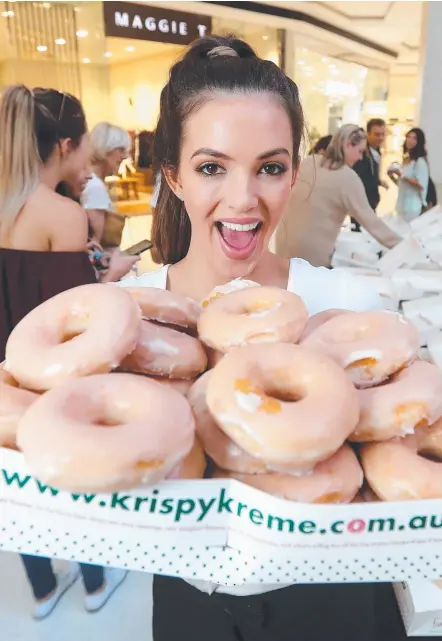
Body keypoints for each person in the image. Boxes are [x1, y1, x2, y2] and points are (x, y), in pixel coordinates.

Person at [116, 35, 402, 641]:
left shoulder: (345, 306)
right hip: (189, 598)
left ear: (295, 172)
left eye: (269, 168)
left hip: (330, 596)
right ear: (173, 174)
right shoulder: (129, 319)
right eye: (212, 167)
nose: (243, 200)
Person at [0, 85, 128, 619]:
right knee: (70, 466)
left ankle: (43, 589)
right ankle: (95, 581)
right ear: (66, 145)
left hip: (5, 372)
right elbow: (78, 317)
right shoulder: (63, 213)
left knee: (16, 477)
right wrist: (114, 274)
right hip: (49, 372)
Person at [274, 124, 401, 267]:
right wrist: (402, 246)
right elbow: (371, 222)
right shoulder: (347, 177)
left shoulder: (309, 161)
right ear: (348, 145)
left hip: (283, 248)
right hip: (313, 256)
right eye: (360, 151)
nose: (360, 157)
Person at [81, 122, 130, 248]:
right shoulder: (95, 186)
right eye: (120, 149)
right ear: (105, 148)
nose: (124, 156)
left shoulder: (91, 181)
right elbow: (95, 244)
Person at [352, 118, 389, 231]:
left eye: (382, 134)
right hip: (361, 203)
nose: (380, 138)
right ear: (368, 134)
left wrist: (378, 181)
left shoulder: (377, 150)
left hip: (371, 200)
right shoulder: (361, 152)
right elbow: (358, 176)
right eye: (377, 134)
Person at [388, 127, 430, 223]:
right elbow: (402, 184)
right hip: (401, 204)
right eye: (408, 137)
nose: (410, 140)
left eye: (414, 138)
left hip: (412, 206)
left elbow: (420, 185)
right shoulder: (406, 160)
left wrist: (402, 175)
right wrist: (392, 176)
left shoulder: (420, 162)